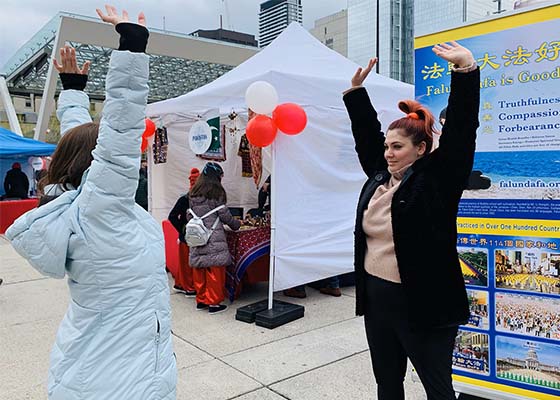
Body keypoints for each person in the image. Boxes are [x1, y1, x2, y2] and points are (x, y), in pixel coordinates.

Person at [6, 5, 176, 399]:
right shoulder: (103, 209)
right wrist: (132, 48)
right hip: (122, 381)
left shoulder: (78, 205)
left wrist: (72, 91)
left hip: (97, 365)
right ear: (96, 164)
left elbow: (79, 143)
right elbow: (120, 130)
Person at [343, 41, 479, 400]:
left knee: (437, 389)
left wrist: (465, 70)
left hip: (423, 304)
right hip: (377, 300)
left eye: (397, 147)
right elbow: (366, 141)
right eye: (387, 146)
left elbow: (462, 131)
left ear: (421, 149)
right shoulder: (379, 178)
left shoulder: (437, 180)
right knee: (387, 384)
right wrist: (356, 93)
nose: (388, 153)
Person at [187, 162, 240, 314]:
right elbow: (225, 216)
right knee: (215, 271)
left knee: (200, 268)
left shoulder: (193, 192)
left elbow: (189, 214)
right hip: (213, 236)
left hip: (198, 235)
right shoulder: (217, 193)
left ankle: (201, 300)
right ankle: (214, 303)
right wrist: (236, 225)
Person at [168, 167, 200, 296]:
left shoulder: (189, 199)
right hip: (188, 236)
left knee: (185, 263)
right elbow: (172, 217)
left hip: (188, 235)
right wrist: (183, 229)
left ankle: (181, 284)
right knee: (187, 264)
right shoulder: (185, 199)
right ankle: (188, 287)